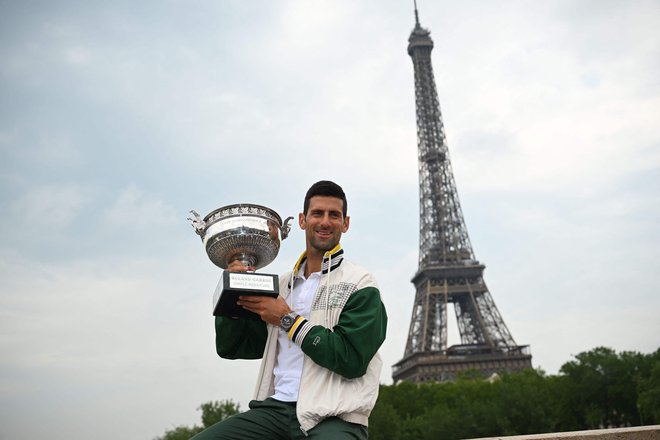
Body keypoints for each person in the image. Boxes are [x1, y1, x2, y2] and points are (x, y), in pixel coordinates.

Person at [192, 180, 388, 440]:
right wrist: (234, 290)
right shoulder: (281, 285)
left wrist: (288, 320)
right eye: (317, 213)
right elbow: (236, 346)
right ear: (302, 220)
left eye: (334, 215)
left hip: (334, 417)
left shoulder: (360, 283)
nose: (326, 221)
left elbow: (351, 360)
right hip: (274, 411)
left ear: (346, 223)